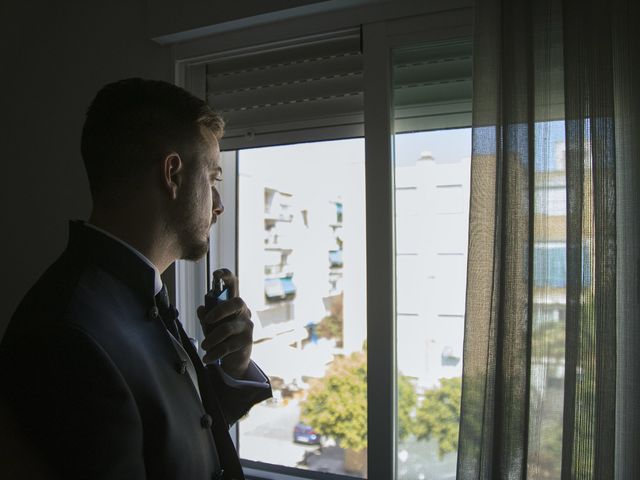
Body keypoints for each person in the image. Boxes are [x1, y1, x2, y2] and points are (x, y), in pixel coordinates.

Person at [0, 78, 272, 479]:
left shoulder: (136, 293)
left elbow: (180, 433)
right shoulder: (67, 335)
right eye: (213, 179)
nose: (219, 205)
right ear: (173, 175)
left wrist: (236, 364)